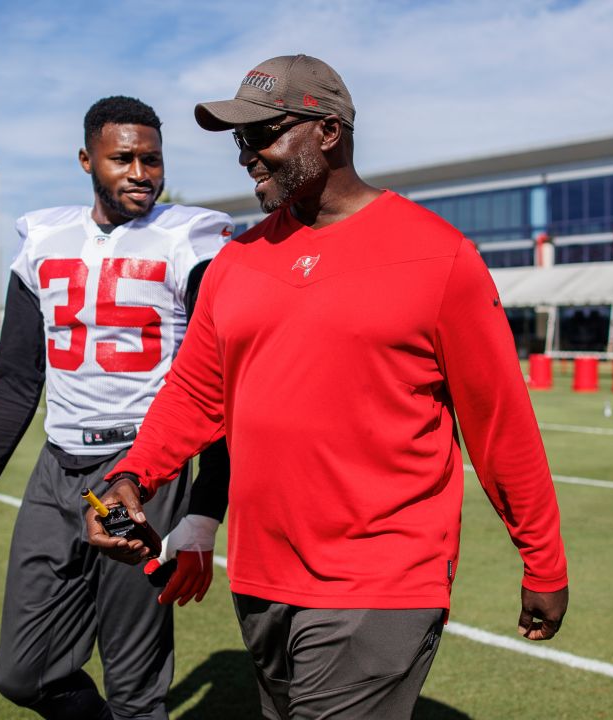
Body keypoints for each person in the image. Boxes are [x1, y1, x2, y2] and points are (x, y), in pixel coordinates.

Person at [86, 55, 570, 719]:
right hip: (259, 579)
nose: (246, 157)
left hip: (381, 580)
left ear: (328, 133)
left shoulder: (440, 257)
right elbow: (196, 394)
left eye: (262, 137)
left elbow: (499, 424)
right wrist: (133, 477)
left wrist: (542, 560)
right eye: (238, 141)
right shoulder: (236, 260)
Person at [0, 95, 233, 720]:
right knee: (24, 674)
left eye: (152, 159)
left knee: (135, 686)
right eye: (123, 159)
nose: (141, 173)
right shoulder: (42, 238)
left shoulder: (189, 240)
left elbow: (224, 387)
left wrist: (203, 513)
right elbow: (14, 380)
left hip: (146, 471)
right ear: (87, 159)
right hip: (57, 467)